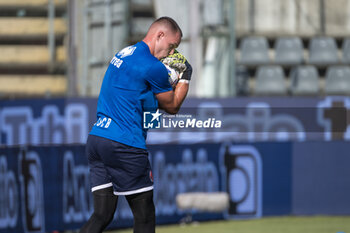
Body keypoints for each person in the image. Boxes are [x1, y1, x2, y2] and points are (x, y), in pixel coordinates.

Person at [79, 16, 192, 233]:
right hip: (125, 143)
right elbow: (173, 106)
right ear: (159, 35)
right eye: (172, 47)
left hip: (97, 138)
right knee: (145, 217)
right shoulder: (153, 67)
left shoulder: (124, 53)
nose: (171, 54)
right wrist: (185, 76)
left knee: (102, 214)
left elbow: (138, 96)